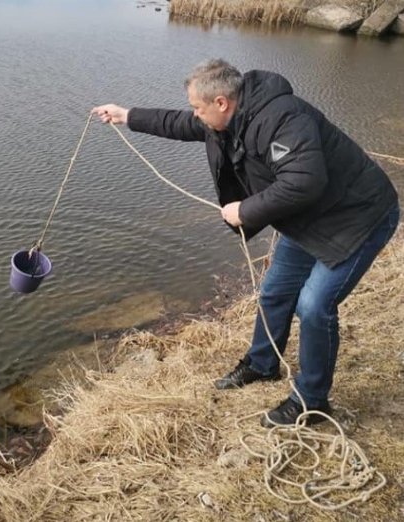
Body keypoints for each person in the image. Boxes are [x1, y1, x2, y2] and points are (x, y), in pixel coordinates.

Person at [92, 58, 399, 428]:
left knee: (314, 305)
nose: (195, 114)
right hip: (309, 219)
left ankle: (312, 401)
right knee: (274, 293)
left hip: (358, 216)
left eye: (198, 107)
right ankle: (262, 364)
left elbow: (304, 181)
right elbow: (178, 123)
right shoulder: (227, 118)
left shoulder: (284, 119)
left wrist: (246, 210)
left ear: (222, 102)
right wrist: (127, 115)